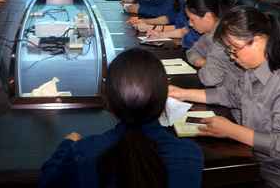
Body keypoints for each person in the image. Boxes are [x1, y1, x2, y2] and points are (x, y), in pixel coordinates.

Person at [169, 6, 280, 188]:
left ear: (257, 41)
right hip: (257, 162)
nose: (232, 57)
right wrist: (182, 93)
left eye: (234, 49)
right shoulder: (257, 67)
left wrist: (231, 130)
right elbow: (231, 94)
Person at [40, 49, 203, 188]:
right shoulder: (190, 154)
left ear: (110, 102)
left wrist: (66, 146)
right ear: (162, 100)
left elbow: (48, 183)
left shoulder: (83, 152)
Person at [184, 0, 240, 87]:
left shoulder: (222, 39)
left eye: (192, 19)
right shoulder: (210, 33)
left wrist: (205, 65)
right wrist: (204, 63)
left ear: (208, 17)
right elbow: (192, 51)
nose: (190, 24)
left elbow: (210, 78)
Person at [143, 0, 213, 49]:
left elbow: (188, 38)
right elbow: (183, 30)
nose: (190, 23)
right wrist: (159, 35)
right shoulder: (192, 10)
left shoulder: (201, 17)